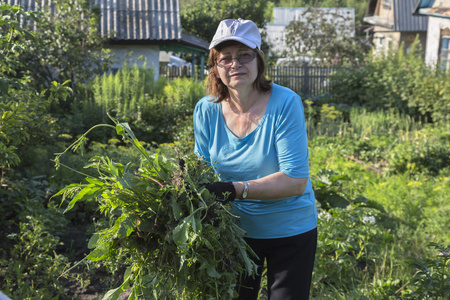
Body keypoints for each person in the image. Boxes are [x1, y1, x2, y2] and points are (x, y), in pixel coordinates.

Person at [193, 18, 317, 300]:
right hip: (234, 234)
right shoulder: (206, 110)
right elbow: (200, 169)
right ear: (215, 67)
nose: (235, 64)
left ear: (259, 59)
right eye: (225, 58)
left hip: (289, 230)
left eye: (244, 55)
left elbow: (295, 181)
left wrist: (234, 189)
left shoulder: (285, 103)